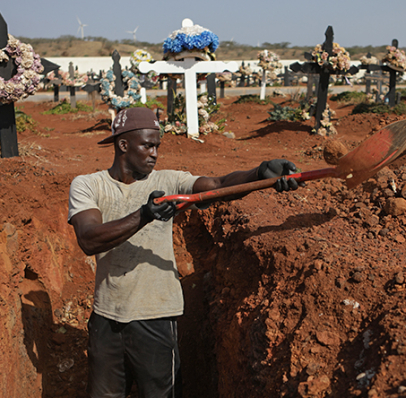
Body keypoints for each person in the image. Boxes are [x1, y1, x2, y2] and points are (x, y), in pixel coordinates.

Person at [67, 107, 300, 398]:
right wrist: (145, 215)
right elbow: (89, 239)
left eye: (157, 146)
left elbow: (218, 185)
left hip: (155, 316)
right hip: (106, 317)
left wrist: (261, 172)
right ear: (123, 145)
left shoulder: (169, 182)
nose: (154, 153)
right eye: (147, 145)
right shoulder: (89, 185)